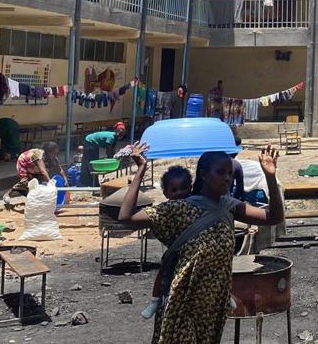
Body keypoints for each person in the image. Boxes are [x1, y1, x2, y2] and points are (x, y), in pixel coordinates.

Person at [118, 143, 284, 344]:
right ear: (204, 174)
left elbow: (274, 217)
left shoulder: (231, 207)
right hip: (183, 303)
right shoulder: (179, 208)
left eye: (229, 173)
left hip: (213, 305)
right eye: (220, 172)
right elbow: (126, 217)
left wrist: (270, 176)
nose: (227, 178)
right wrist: (141, 170)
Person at [141, 166, 194, 320]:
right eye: (174, 190)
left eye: (184, 188)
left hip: (195, 247)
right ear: (166, 194)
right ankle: (155, 300)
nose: (180, 193)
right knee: (164, 270)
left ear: (190, 188)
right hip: (176, 249)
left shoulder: (195, 205)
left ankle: (225, 293)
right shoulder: (166, 210)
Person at [79, 122, 125, 187]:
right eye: (119, 132)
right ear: (116, 131)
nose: (120, 134)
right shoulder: (111, 137)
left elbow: (112, 150)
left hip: (94, 144)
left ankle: (91, 182)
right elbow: (109, 151)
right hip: (90, 142)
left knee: (92, 160)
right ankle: (91, 183)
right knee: (91, 163)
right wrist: (111, 161)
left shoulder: (115, 138)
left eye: (122, 133)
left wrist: (114, 157)